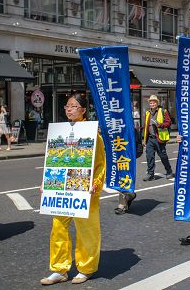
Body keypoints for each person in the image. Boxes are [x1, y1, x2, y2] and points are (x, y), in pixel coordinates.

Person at [41, 93, 106, 286]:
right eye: (67, 106)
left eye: (74, 106)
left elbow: (101, 164)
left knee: (86, 229)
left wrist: (96, 183)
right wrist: (46, 183)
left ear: (84, 110)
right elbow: (53, 161)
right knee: (58, 227)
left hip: (84, 189)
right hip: (61, 189)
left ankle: (86, 268)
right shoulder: (60, 131)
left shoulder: (92, 133)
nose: (69, 109)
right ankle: (59, 269)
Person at [143, 95, 173, 181]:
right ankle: (150, 174)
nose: (152, 104)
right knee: (149, 157)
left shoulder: (163, 111)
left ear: (157, 103)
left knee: (163, 156)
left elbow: (168, 123)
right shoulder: (147, 113)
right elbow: (146, 126)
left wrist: (160, 125)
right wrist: (144, 139)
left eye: (154, 102)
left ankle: (169, 171)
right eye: (151, 102)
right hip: (150, 139)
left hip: (159, 138)